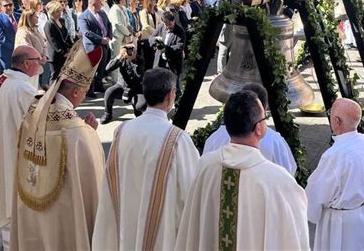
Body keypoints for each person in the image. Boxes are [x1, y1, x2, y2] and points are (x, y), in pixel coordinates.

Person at [175, 90, 310, 250]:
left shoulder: (205, 167)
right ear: (258, 128)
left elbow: (191, 228)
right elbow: (293, 237)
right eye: (264, 118)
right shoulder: (279, 181)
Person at [11, 41, 105, 251]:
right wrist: (91, 133)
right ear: (75, 92)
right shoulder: (78, 132)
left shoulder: (33, 113)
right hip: (64, 215)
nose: (83, 97)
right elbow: (93, 180)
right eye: (84, 92)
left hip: (31, 203)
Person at [92, 68, 199, 250]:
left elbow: (109, 181)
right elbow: (192, 193)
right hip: (160, 236)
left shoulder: (121, 131)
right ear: (171, 95)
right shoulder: (177, 140)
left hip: (125, 222)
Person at [0, 46, 42, 250]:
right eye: (38, 59)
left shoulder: (0, 82)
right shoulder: (23, 90)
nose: (41, 63)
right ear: (26, 63)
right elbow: (41, 125)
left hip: (1, 153)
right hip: (13, 157)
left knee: (2, 196)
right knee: (11, 200)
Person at [305, 98, 364, 251]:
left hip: (341, 223)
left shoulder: (334, 156)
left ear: (337, 121)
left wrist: (309, 210)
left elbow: (318, 192)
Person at [204, 83, 297, 175]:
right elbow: (288, 173)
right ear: (264, 111)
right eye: (265, 117)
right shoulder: (275, 142)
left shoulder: (214, 138)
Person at [101, 43, 145, 124]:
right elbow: (108, 68)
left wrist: (132, 60)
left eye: (132, 51)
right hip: (121, 85)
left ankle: (138, 114)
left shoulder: (140, 60)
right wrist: (119, 56)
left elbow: (139, 75)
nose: (130, 53)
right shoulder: (122, 59)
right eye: (128, 51)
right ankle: (108, 114)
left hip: (135, 88)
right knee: (109, 92)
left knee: (140, 105)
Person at [78, 0, 113, 95]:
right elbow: (87, 32)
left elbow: (109, 24)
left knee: (102, 66)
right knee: (92, 68)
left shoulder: (102, 13)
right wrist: (101, 39)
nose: (101, 5)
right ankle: (90, 89)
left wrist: (109, 36)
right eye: (99, 3)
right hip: (92, 46)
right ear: (93, 4)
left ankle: (99, 85)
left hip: (104, 44)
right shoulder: (84, 16)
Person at [150, 11, 185, 97]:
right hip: (160, 61)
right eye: (166, 24)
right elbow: (151, 38)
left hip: (173, 63)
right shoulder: (161, 26)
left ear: (173, 21)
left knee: (174, 85)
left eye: (170, 24)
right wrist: (155, 40)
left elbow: (179, 47)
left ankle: (178, 103)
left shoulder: (180, 31)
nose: (168, 26)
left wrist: (166, 48)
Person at [15, 9, 48, 89]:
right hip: (28, 65)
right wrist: (38, 58)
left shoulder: (35, 29)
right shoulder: (23, 31)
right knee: (30, 87)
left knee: (35, 86)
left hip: (37, 64)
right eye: (35, 16)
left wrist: (45, 56)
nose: (37, 18)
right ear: (29, 18)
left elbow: (44, 44)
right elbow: (26, 48)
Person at [44, 1, 74, 81]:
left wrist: (71, 47)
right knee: (55, 76)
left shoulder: (61, 20)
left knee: (63, 76)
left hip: (65, 53)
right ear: (52, 12)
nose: (60, 13)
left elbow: (66, 35)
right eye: (57, 11)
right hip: (56, 55)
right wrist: (63, 53)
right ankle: (51, 93)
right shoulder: (49, 24)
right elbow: (53, 41)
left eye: (60, 10)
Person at [0, 0, 20, 71]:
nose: (8, 7)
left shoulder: (19, 16)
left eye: (10, 5)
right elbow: (1, 38)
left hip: (20, 53)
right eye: (5, 5)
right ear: (1, 7)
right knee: (7, 76)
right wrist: (15, 47)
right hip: (6, 54)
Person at [108, 0, 132, 74]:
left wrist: (129, 30)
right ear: (120, 0)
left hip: (124, 37)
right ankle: (114, 80)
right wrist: (127, 33)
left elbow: (127, 21)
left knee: (123, 58)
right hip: (117, 37)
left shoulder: (123, 8)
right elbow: (117, 24)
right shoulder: (114, 9)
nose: (126, 0)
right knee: (116, 58)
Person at [139, 0, 161, 70]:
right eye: (153, 0)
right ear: (148, 2)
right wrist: (155, 33)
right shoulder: (143, 12)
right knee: (147, 60)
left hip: (155, 39)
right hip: (147, 39)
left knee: (153, 60)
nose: (155, 1)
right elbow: (145, 25)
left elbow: (160, 23)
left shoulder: (155, 12)